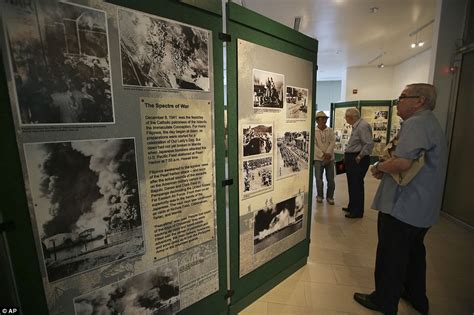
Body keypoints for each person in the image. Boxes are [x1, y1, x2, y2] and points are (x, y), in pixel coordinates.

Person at [353, 84, 447, 315]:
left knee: (391, 254)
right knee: (414, 253)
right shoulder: (431, 123)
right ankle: (416, 297)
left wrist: (379, 166)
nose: (398, 102)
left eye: (403, 97)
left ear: (419, 101)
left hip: (404, 206)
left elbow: (403, 162)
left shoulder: (415, 124)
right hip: (422, 208)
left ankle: (384, 300)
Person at [343, 108, 373, 218]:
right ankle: (352, 206)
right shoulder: (357, 126)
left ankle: (357, 211)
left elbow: (368, 143)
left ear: (352, 117)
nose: (346, 119)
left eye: (346, 117)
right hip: (352, 158)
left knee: (357, 185)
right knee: (352, 184)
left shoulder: (362, 126)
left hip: (358, 159)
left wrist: (360, 156)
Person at [314, 111, 336, 204]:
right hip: (318, 158)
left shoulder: (330, 131)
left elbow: (332, 142)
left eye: (325, 118)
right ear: (317, 120)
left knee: (330, 179)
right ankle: (320, 196)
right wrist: (322, 154)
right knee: (318, 179)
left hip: (330, 158)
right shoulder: (314, 131)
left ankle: (330, 197)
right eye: (322, 118)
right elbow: (313, 145)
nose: (324, 120)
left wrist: (327, 154)